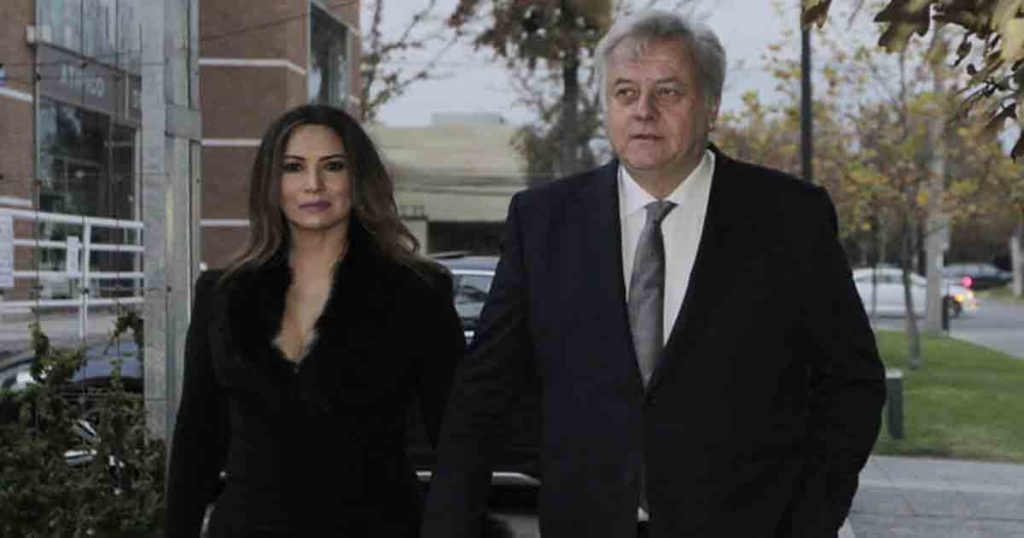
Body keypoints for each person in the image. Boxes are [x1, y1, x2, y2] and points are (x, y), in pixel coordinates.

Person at [422, 11, 886, 538]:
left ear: (711, 105)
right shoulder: (543, 221)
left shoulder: (789, 218)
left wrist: (808, 522)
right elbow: (483, 393)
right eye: (625, 92)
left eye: (668, 92)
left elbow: (852, 384)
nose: (643, 111)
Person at [166, 104, 464, 537]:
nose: (313, 184)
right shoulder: (221, 294)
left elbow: (457, 442)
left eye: (333, 166)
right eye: (293, 167)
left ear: (358, 178)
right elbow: (197, 438)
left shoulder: (419, 292)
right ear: (272, 182)